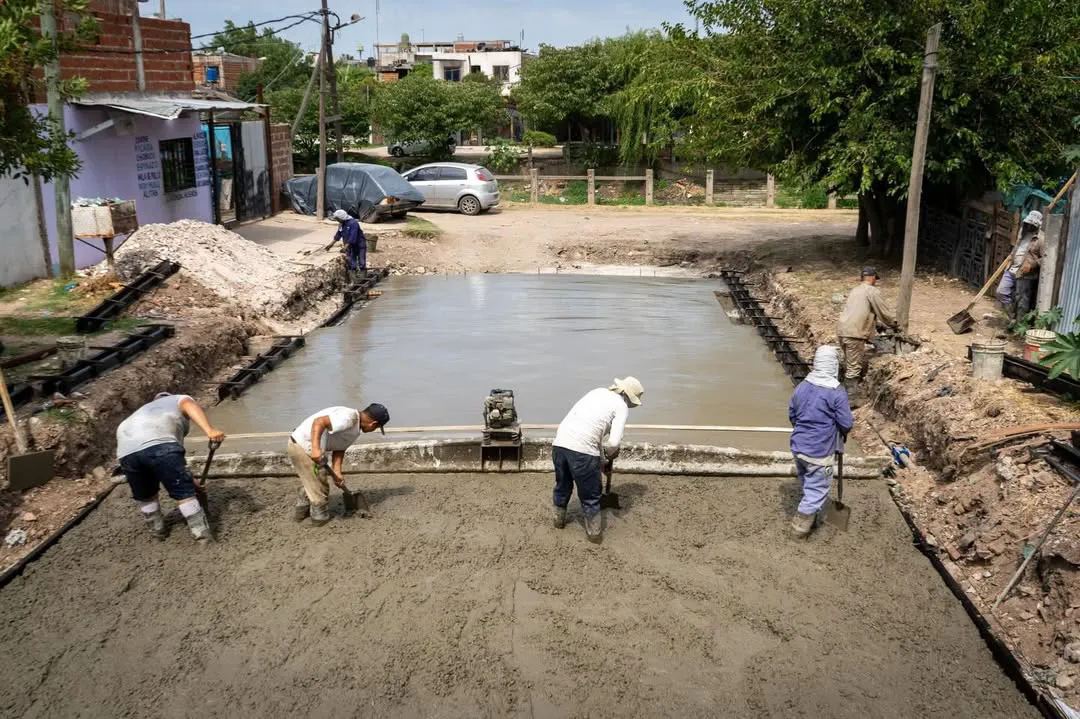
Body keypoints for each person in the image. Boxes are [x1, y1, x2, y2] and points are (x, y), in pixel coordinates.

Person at [116, 392, 226, 542]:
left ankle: (157, 532)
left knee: (146, 495)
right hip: (159, 444)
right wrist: (209, 430)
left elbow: (172, 465)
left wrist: (190, 480)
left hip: (126, 451)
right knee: (184, 494)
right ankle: (203, 537)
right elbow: (188, 404)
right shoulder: (177, 400)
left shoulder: (143, 412)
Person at [551, 377, 644, 543]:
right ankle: (594, 535)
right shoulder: (621, 406)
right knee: (591, 495)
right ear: (628, 397)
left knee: (562, 485)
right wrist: (610, 454)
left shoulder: (597, 392)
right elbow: (613, 443)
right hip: (582, 452)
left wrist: (601, 461)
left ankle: (558, 521)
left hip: (559, 445)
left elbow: (593, 432)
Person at [788, 346, 853, 539]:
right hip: (820, 450)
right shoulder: (836, 392)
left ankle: (810, 508)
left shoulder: (802, 386)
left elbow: (792, 414)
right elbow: (846, 423)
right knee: (817, 489)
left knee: (807, 480)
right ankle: (799, 528)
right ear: (834, 366)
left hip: (798, 446)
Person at [288, 403, 390, 525]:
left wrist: (337, 472)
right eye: (377, 428)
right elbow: (319, 422)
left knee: (314, 481)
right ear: (373, 424)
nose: (374, 430)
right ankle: (319, 520)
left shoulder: (355, 426)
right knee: (321, 489)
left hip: (306, 447)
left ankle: (301, 513)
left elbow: (340, 448)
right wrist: (316, 448)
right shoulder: (348, 418)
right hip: (302, 446)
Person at [836, 266, 898, 394]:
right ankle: (851, 398)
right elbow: (884, 312)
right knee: (854, 367)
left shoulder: (855, 290)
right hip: (854, 333)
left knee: (849, 361)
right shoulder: (872, 291)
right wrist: (894, 324)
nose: (876, 281)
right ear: (872, 277)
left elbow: (859, 312)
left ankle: (841, 391)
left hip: (843, 330)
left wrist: (875, 324)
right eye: (875, 278)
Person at [996, 210, 1045, 319]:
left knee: (1022, 301)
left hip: (1025, 274)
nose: (1028, 226)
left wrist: (1032, 265)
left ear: (1037, 225)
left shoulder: (1041, 239)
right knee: (1001, 292)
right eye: (1027, 223)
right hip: (1011, 269)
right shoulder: (1022, 233)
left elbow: (1045, 258)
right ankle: (1012, 317)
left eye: (1031, 224)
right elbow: (1016, 248)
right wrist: (1010, 259)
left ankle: (1019, 327)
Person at [330, 208, 367, 273]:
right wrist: (330, 245)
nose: (337, 220)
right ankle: (353, 274)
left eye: (337, 219)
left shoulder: (353, 223)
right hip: (349, 246)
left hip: (359, 244)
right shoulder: (341, 224)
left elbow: (352, 236)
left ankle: (362, 273)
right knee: (351, 262)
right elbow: (338, 234)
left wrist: (345, 247)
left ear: (341, 217)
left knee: (362, 261)